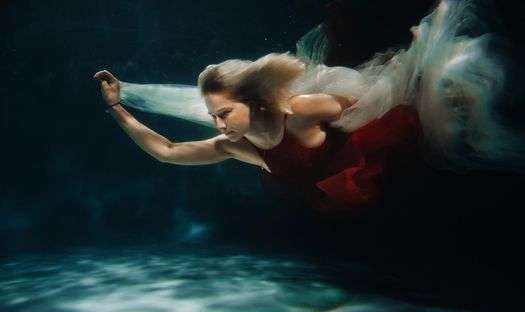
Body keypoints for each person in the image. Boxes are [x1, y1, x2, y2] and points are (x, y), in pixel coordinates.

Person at [93, 0, 525, 216]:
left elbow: (371, 99)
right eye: (214, 115)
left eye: (223, 113)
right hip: (334, 194)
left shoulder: (300, 110)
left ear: (254, 102)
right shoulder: (238, 146)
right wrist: (118, 107)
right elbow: (167, 151)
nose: (216, 123)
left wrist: (414, 87)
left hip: (375, 153)